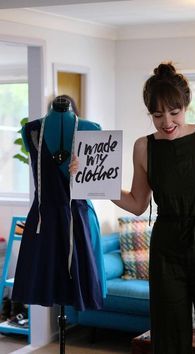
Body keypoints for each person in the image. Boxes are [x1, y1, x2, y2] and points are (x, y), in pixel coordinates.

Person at [110, 62, 195, 354]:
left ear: (186, 105)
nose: (166, 121)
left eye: (174, 112)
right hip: (167, 250)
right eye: (157, 114)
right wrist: (99, 183)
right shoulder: (144, 147)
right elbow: (138, 203)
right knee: (168, 336)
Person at [12, 95, 106, 310]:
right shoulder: (32, 130)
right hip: (44, 221)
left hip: (79, 220)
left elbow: (101, 180)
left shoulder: (91, 129)